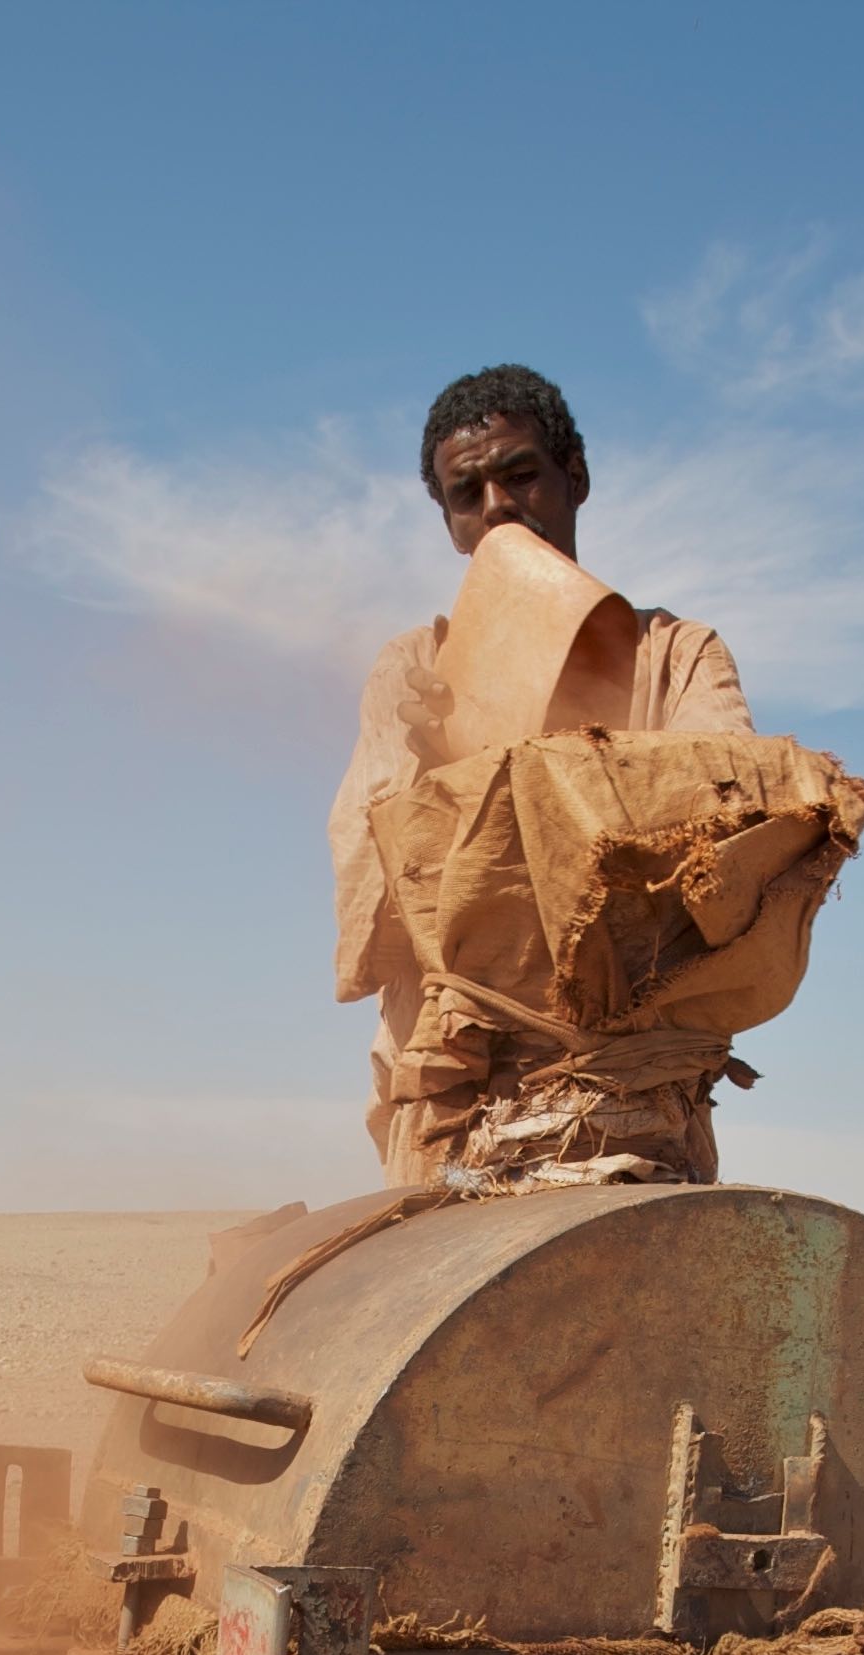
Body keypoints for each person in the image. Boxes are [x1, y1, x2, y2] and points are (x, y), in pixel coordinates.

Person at [328, 364, 756, 1175]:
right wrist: (425, 773)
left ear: (576, 478)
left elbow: (730, 843)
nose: (497, 506)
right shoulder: (414, 673)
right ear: (450, 521)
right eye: (468, 492)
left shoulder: (678, 657)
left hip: (632, 1102)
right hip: (456, 1105)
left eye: (521, 474)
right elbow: (367, 916)